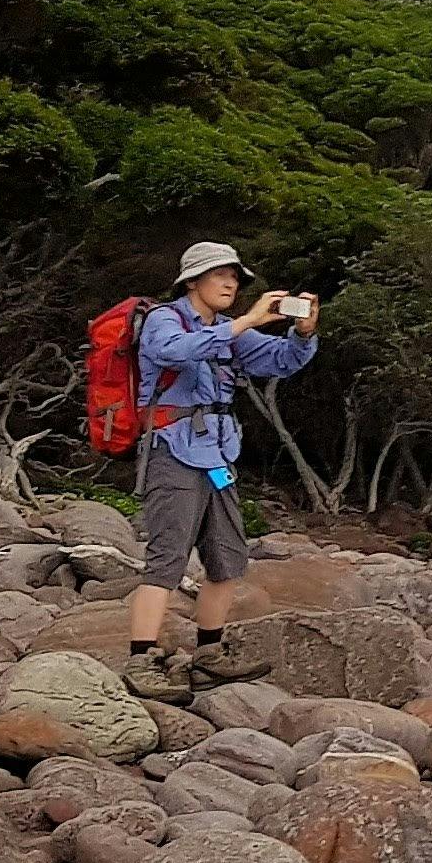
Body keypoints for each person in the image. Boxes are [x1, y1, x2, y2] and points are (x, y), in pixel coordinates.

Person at [124, 241, 318, 696]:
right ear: (192, 281)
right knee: (167, 558)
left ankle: (209, 653)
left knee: (227, 556)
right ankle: (140, 661)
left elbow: (282, 361)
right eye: (220, 275)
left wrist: (303, 334)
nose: (231, 284)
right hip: (171, 451)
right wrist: (247, 322)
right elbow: (173, 352)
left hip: (218, 455)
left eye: (235, 277)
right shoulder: (163, 320)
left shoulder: (231, 329)